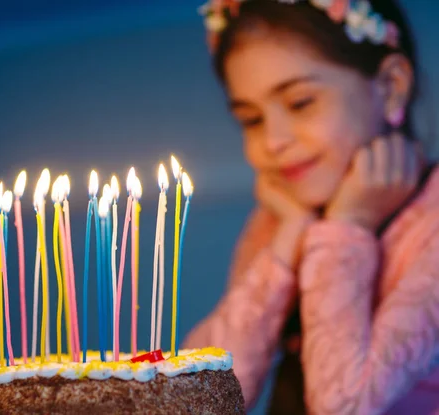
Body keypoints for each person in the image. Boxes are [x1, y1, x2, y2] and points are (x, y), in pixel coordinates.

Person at [183, 1, 439, 414]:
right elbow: (195, 401)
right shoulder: (281, 216)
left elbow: (345, 406)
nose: (273, 141)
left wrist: (347, 227)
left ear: (390, 86)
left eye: (301, 103)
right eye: (251, 119)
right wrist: (289, 239)